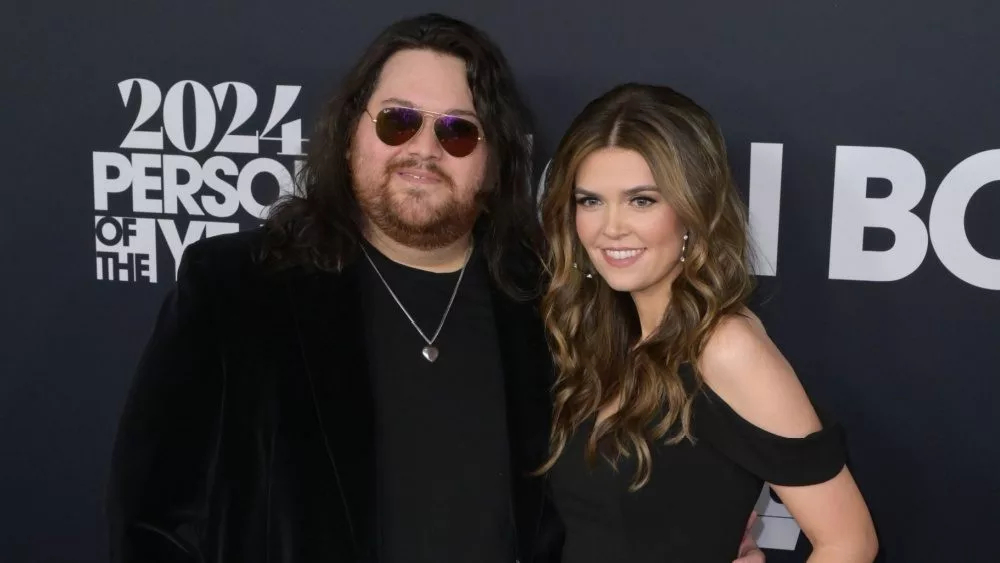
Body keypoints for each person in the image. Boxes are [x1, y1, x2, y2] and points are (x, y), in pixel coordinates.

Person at [106, 13, 764, 563]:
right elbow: (154, 523)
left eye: (457, 130)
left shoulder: (552, 303)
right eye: (398, 121)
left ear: (493, 159)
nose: (423, 148)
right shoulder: (237, 288)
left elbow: (616, 493)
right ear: (350, 133)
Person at [536, 82, 880, 562]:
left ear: (693, 210)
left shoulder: (724, 347)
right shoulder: (607, 337)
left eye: (642, 200)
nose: (610, 226)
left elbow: (849, 543)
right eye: (590, 200)